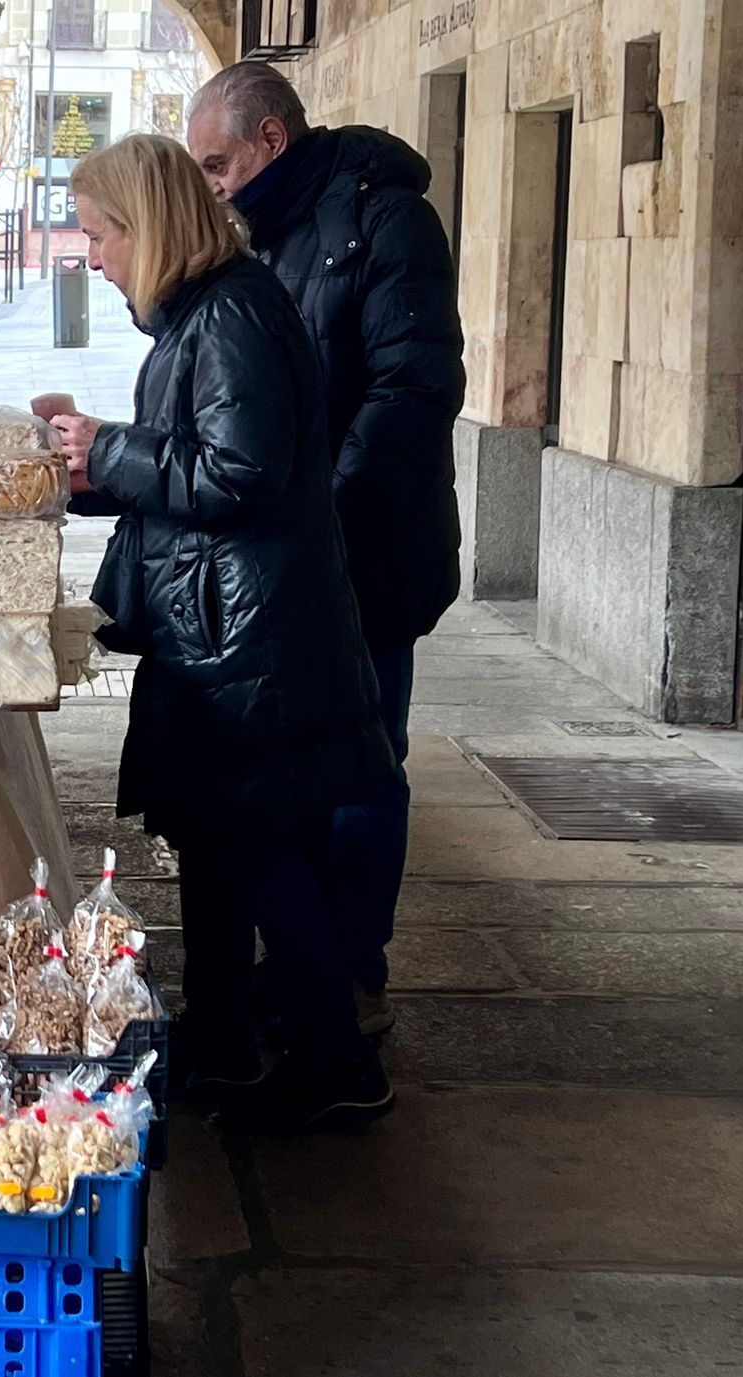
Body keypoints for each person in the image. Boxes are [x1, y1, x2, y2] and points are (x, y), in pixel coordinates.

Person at [42, 133, 398, 1133]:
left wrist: (105, 447)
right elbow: (197, 465)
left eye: (102, 233)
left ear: (148, 227)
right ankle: (222, 1040)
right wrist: (87, 474)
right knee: (214, 841)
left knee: (260, 849)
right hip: (224, 622)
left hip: (252, 633)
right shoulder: (209, 309)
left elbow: (236, 475)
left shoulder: (231, 312)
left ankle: (333, 1062)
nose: (96, 255)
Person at [185, 63, 466, 1037]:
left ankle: (351, 973)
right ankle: (301, 973)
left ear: (270, 139)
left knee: (361, 765)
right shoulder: (264, 233)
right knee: (294, 763)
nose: (211, 182)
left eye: (218, 161)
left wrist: (326, 516)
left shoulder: (383, 221)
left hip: (372, 550)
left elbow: (412, 390)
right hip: (298, 555)